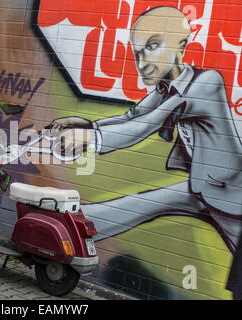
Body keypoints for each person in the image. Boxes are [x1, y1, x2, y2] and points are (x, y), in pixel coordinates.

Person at [47, 6, 242, 297]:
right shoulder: (167, 88)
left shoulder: (206, 83)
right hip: (200, 189)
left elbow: (148, 124)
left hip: (232, 203)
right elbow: (131, 118)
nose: (143, 62)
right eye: (138, 52)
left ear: (181, 45)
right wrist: (86, 124)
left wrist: (92, 138)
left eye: (152, 46)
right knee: (136, 204)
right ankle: (61, 239)